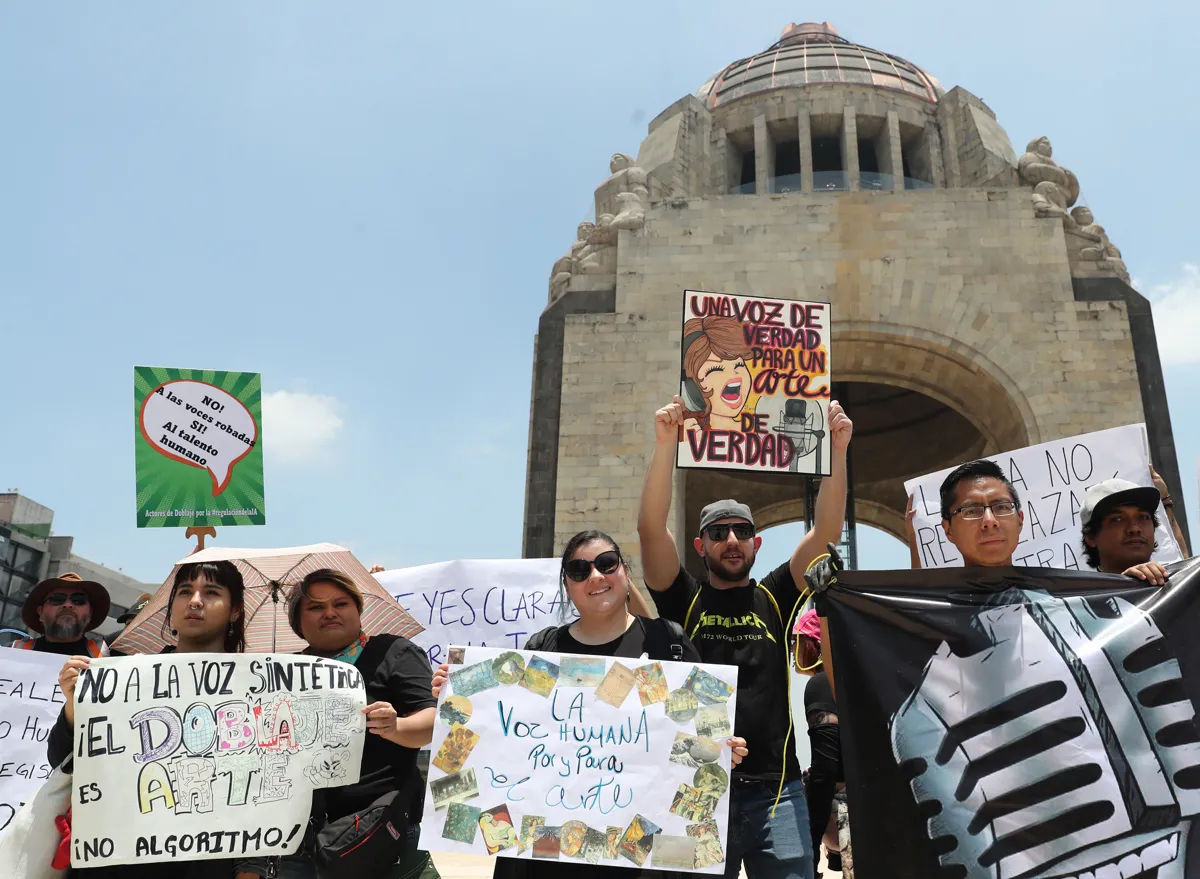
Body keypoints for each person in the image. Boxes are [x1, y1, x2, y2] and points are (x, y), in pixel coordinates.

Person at [431, 530, 749, 879]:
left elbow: (700, 732)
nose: (596, 576)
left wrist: (720, 750)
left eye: (607, 564)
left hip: (639, 860)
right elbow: (501, 731)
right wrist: (458, 694)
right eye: (580, 570)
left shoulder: (666, 642)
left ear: (625, 571)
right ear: (567, 586)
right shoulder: (544, 648)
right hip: (549, 856)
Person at [638, 395, 854, 879]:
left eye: (741, 531)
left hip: (778, 793)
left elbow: (826, 532)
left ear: (757, 543)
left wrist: (837, 451)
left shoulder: (777, 596)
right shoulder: (683, 599)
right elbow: (650, 530)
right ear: (701, 545)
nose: (731, 540)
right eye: (718, 533)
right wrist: (665, 446)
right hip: (694, 787)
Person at [48, 560, 247, 878]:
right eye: (185, 592)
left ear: (235, 609)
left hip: (200, 863)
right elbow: (62, 760)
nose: (195, 601)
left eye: (210, 592)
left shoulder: (254, 688)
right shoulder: (125, 676)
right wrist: (74, 706)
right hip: (113, 858)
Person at [248, 568, 439, 879]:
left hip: (383, 835)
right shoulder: (284, 674)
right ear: (298, 623)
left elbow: (432, 721)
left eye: (340, 604)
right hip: (300, 843)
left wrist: (396, 728)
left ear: (358, 610)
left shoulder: (393, 652)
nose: (329, 613)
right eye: (315, 607)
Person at [793, 611, 851, 879]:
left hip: (845, 814)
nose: (794, 650)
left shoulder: (821, 683)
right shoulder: (859, 680)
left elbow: (825, 769)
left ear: (813, 644)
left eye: (797, 641)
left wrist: (812, 846)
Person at [1080, 478, 1173, 585]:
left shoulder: (1183, 587)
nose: (1134, 529)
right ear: (1091, 536)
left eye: (1143, 517)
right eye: (1117, 519)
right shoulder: (1076, 599)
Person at [680, 316, 754, 430]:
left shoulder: (759, 433)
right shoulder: (687, 433)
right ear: (690, 388)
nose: (733, 374)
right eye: (715, 369)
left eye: (739, 365)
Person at [11, 571, 111, 656]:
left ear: (90, 613)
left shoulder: (105, 654)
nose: (68, 605)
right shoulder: (12, 652)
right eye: (57, 599)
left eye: (79, 599)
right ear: (40, 612)